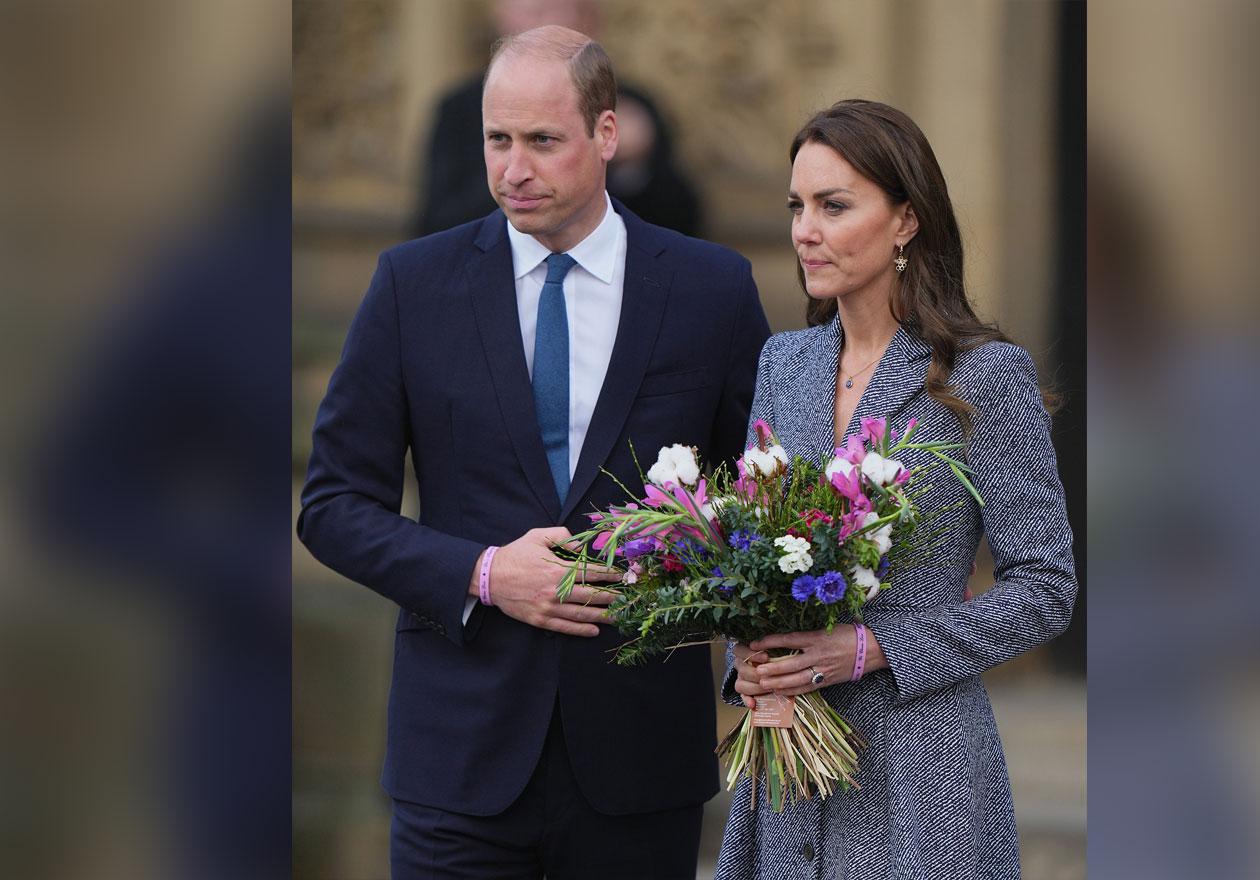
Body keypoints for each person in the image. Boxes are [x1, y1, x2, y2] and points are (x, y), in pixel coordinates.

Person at [298, 26, 769, 880]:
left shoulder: (711, 289)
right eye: (497, 139)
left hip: (639, 762)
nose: (514, 168)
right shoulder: (412, 285)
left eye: (543, 141)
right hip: (459, 760)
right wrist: (483, 573)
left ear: (607, 135)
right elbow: (331, 507)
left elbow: (757, 506)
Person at [714, 100, 1078, 880]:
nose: (804, 230)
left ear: (906, 221)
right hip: (790, 770)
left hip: (923, 769)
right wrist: (748, 655)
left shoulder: (986, 376)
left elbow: (1047, 588)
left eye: (833, 206)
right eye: (796, 207)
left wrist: (875, 646)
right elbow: (747, 547)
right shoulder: (785, 363)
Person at [417, 0, 703, 237]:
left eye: (550, 10)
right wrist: (515, 185)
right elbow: (436, 223)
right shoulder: (459, 108)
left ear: (589, 21)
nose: (537, 28)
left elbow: (681, 227)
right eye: (499, 137)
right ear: (502, 17)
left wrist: (635, 166)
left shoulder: (630, 105)